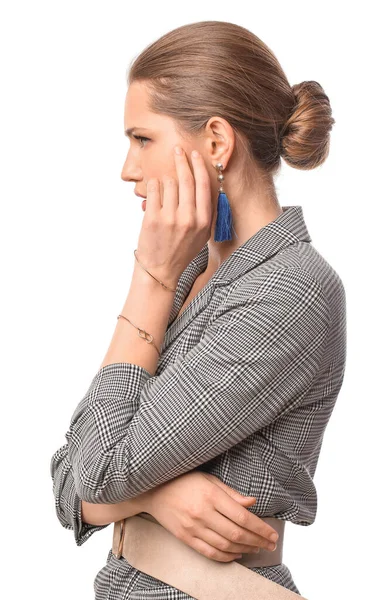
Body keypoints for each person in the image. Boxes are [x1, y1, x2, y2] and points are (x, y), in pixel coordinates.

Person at [50, 20, 347, 599]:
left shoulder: (291, 291)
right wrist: (154, 494)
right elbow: (66, 478)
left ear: (215, 142)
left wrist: (151, 278)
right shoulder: (192, 273)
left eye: (142, 139)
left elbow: (96, 472)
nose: (127, 169)